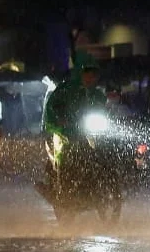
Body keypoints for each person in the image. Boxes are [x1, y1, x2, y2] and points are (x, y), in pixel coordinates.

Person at [36, 52, 106, 203]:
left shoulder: (97, 94)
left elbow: (103, 110)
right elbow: (51, 108)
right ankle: (62, 191)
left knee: (104, 151)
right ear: (79, 72)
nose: (91, 78)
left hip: (86, 133)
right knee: (65, 155)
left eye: (94, 74)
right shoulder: (65, 90)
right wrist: (60, 121)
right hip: (63, 133)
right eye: (87, 73)